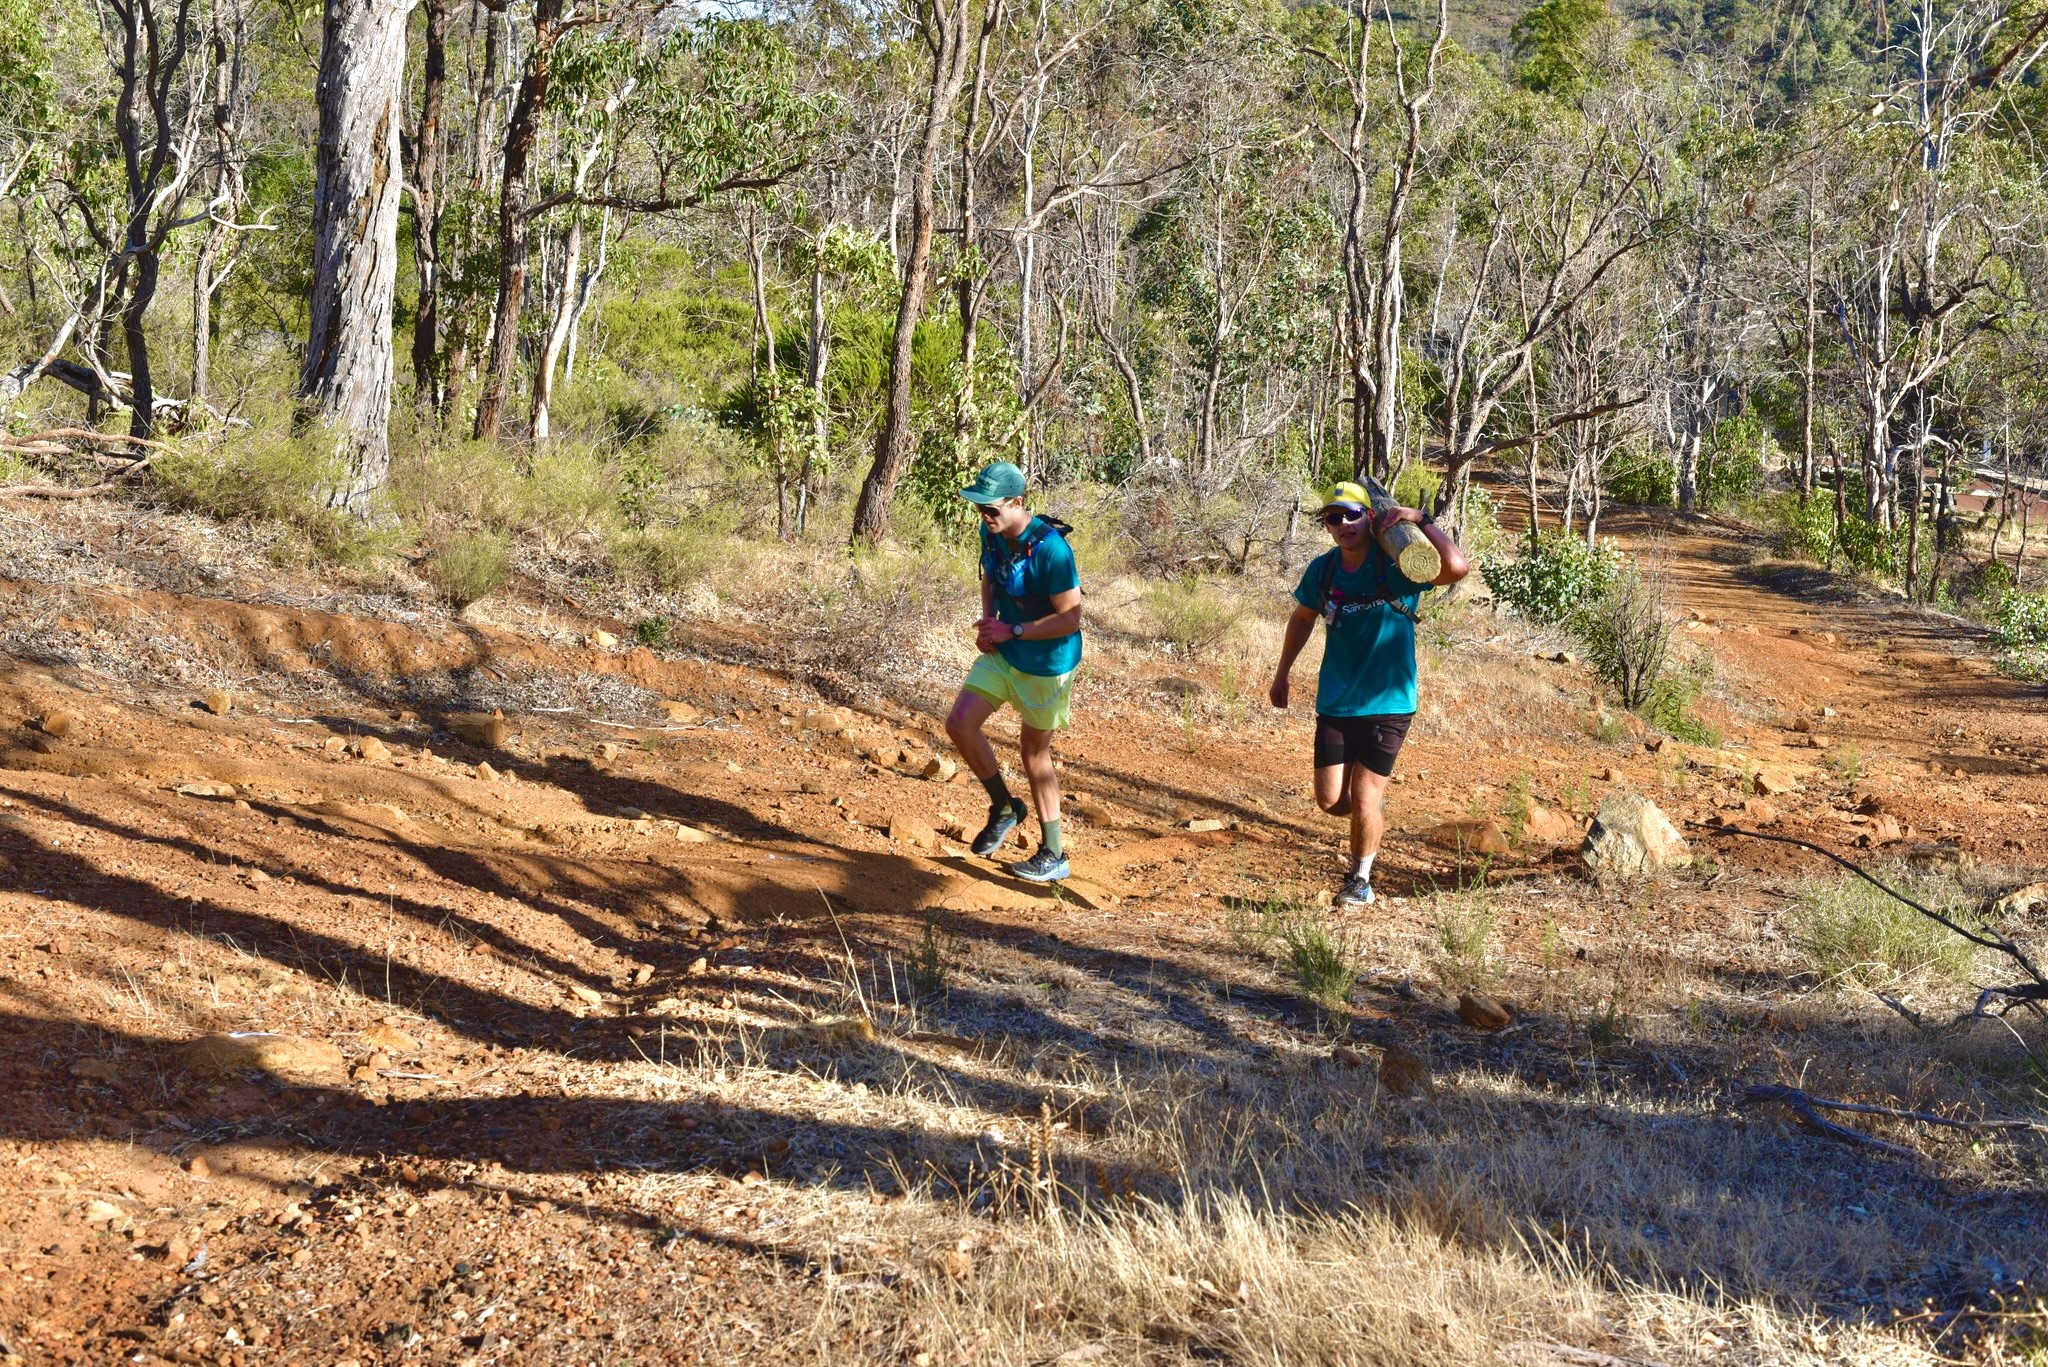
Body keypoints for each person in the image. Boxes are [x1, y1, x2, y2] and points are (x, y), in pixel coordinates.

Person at [1268, 480, 1469, 907]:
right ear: (1327, 526)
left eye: (1352, 514)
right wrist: (1282, 673)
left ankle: (1360, 880)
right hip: (1337, 701)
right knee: (1330, 801)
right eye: (1333, 518)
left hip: (1390, 701)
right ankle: (1370, 813)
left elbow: (1456, 567)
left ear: (1370, 517)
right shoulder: (1322, 570)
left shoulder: (1400, 563)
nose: (1343, 524)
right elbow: (1303, 617)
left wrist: (1421, 520)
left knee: (1363, 796)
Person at [943, 461, 1083, 883]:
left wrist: (1013, 629)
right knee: (959, 725)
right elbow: (990, 578)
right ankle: (1005, 807)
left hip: (1047, 665)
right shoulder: (993, 534)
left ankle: (1054, 854)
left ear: (1018, 503)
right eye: (980, 509)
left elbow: (1072, 618)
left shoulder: (1051, 549)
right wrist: (989, 625)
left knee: (1034, 755)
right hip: (1004, 651)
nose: (984, 517)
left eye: (992, 509)